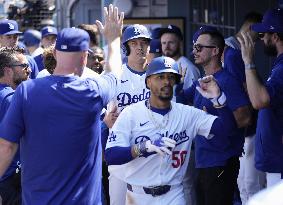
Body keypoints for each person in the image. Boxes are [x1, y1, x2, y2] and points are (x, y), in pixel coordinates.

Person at [0, 4, 124, 204]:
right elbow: (114, 72)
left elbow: (6, 147)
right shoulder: (92, 91)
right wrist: (113, 39)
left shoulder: (26, 91)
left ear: (55, 54)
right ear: (84, 57)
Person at [105, 56, 237, 205]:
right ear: (148, 82)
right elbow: (111, 156)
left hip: (173, 194)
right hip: (138, 195)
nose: (166, 82)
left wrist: (219, 99)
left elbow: (228, 130)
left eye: (171, 77)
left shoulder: (187, 114)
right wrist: (144, 147)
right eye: (160, 77)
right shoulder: (130, 114)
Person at [181, 28, 251, 205]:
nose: (194, 51)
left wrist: (220, 101)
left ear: (215, 51)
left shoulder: (227, 80)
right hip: (204, 160)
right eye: (194, 47)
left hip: (221, 161)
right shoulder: (202, 81)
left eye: (199, 47)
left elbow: (244, 119)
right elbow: (179, 99)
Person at [104, 23, 152, 205]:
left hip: (150, 152)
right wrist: (104, 120)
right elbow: (94, 107)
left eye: (143, 42)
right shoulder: (114, 74)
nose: (140, 47)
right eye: (134, 43)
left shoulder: (158, 74)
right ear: (126, 47)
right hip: (120, 150)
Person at [223, 12, 265, 205]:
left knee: (246, 183)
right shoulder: (232, 53)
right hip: (244, 124)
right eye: (257, 37)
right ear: (250, 30)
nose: (258, 42)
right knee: (248, 184)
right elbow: (245, 91)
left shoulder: (230, 49)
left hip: (240, 125)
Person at [237, 8, 283, 187]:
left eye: (264, 34)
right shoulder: (278, 64)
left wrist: (248, 61)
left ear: (276, 36)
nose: (262, 38)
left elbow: (260, 101)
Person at [0, 47, 30, 205]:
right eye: (24, 66)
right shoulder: (11, 99)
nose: (29, 69)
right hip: (10, 179)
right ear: (8, 71)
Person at [159, 24, 200, 89]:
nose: (167, 46)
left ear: (180, 43)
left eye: (171, 42)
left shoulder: (188, 68)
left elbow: (193, 97)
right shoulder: (159, 66)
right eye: (164, 43)